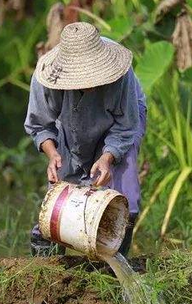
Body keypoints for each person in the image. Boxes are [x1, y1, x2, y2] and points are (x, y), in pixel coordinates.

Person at [24, 22, 146, 257]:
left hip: (123, 122)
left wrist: (107, 158)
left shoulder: (120, 74)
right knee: (62, 193)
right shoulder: (47, 76)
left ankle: (111, 263)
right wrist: (52, 154)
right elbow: (39, 124)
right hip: (70, 121)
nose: (89, 84)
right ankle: (49, 266)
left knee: (123, 193)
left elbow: (125, 127)